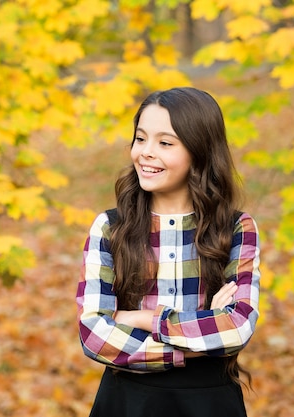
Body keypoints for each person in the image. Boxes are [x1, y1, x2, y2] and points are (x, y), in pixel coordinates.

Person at [76, 87, 261, 417]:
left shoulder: (235, 229)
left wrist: (141, 319)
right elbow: (94, 336)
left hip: (210, 403)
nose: (146, 152)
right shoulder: (109, 227)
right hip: (128, 401)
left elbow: (236, 328)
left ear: (199, 152)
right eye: (141, 138)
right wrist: (203, 334)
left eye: (165, 143)